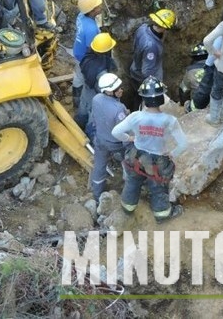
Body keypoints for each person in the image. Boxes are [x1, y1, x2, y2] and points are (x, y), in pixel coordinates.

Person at [112, 76, 187, 223]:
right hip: (158, 160)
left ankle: (128, 207)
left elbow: (115, 132)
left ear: (144, 99)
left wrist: (130, 139)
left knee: (133, 181)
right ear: (161, 98)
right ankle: (162, 215)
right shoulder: (169, 121)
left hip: (136, 156)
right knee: (158, 187)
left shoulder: (135, 117)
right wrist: (172, 154)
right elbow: (184, 143)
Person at [89, 73, 129, 203]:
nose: (121, 90)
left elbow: (95, 119)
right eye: (117, 89)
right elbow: (122, 132)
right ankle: (128, 186)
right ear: (109, 91)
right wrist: (131, 142)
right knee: (128, 159)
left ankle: (96, 195)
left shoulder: (96, 98)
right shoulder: (119, 109)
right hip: (115, 143)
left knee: (99, 166)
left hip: (100, 139)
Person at [126, 8, 176, 111]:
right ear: (163, 27)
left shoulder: (143, 28)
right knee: (145, 101)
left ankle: (136, 110)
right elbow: (147, 71)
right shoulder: (151, 46)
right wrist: (154, 87)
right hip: (143, 78)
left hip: (135, 70)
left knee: (137, 96)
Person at [76, 32, 118, 134]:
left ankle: (78, 127)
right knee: (93, 116)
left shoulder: (88, 56)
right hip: (95, 94)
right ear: (105, 51)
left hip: (86, 88)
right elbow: (104, 89)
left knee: (83, 109)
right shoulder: (101, 72)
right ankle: (89, 136)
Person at [72, 0, 103, 108]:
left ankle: (75, 99)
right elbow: (91, 48)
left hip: (77, 50)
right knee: (85, 77)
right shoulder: (91, 29)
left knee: (77, 76)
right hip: (84, 57)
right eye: (98, 6)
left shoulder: (81, 15)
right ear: (92, 11)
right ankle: (80, 102)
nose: (100, 6)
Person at [179, 43, 207, 108]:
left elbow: (183, 90)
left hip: (197, 104)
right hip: (215, 103)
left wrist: (183, 103)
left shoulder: (190, 71)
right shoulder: (216, 68)